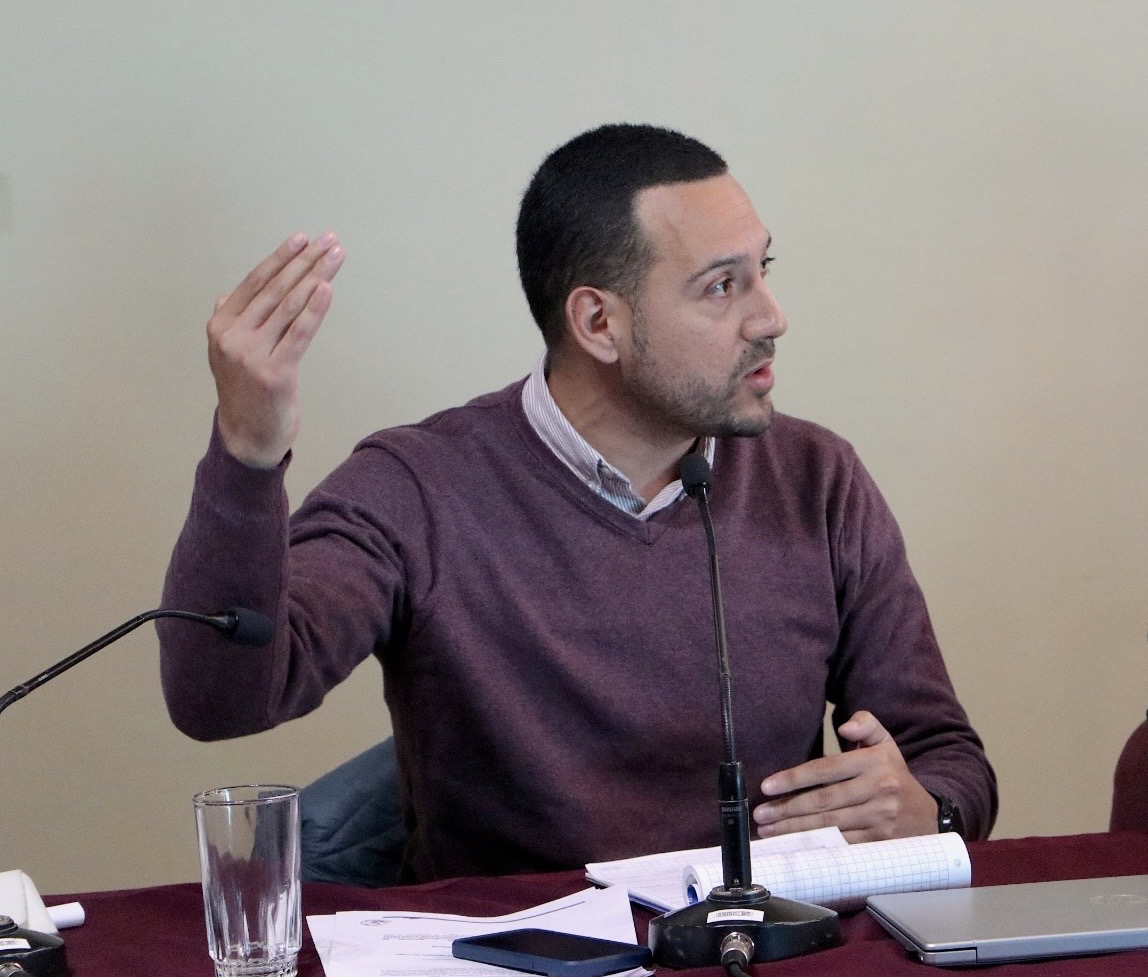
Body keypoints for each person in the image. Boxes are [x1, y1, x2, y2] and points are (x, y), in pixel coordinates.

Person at [158, 123, 997, 883]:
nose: (770, 317)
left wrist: (926, 809)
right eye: (721, 287)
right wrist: (248, 454)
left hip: (759, 940)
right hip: (516, 953)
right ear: (599, 323)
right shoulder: (417, 487)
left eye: (762, 273)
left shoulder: (817, 478)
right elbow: (221, 698)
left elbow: (947, 757)